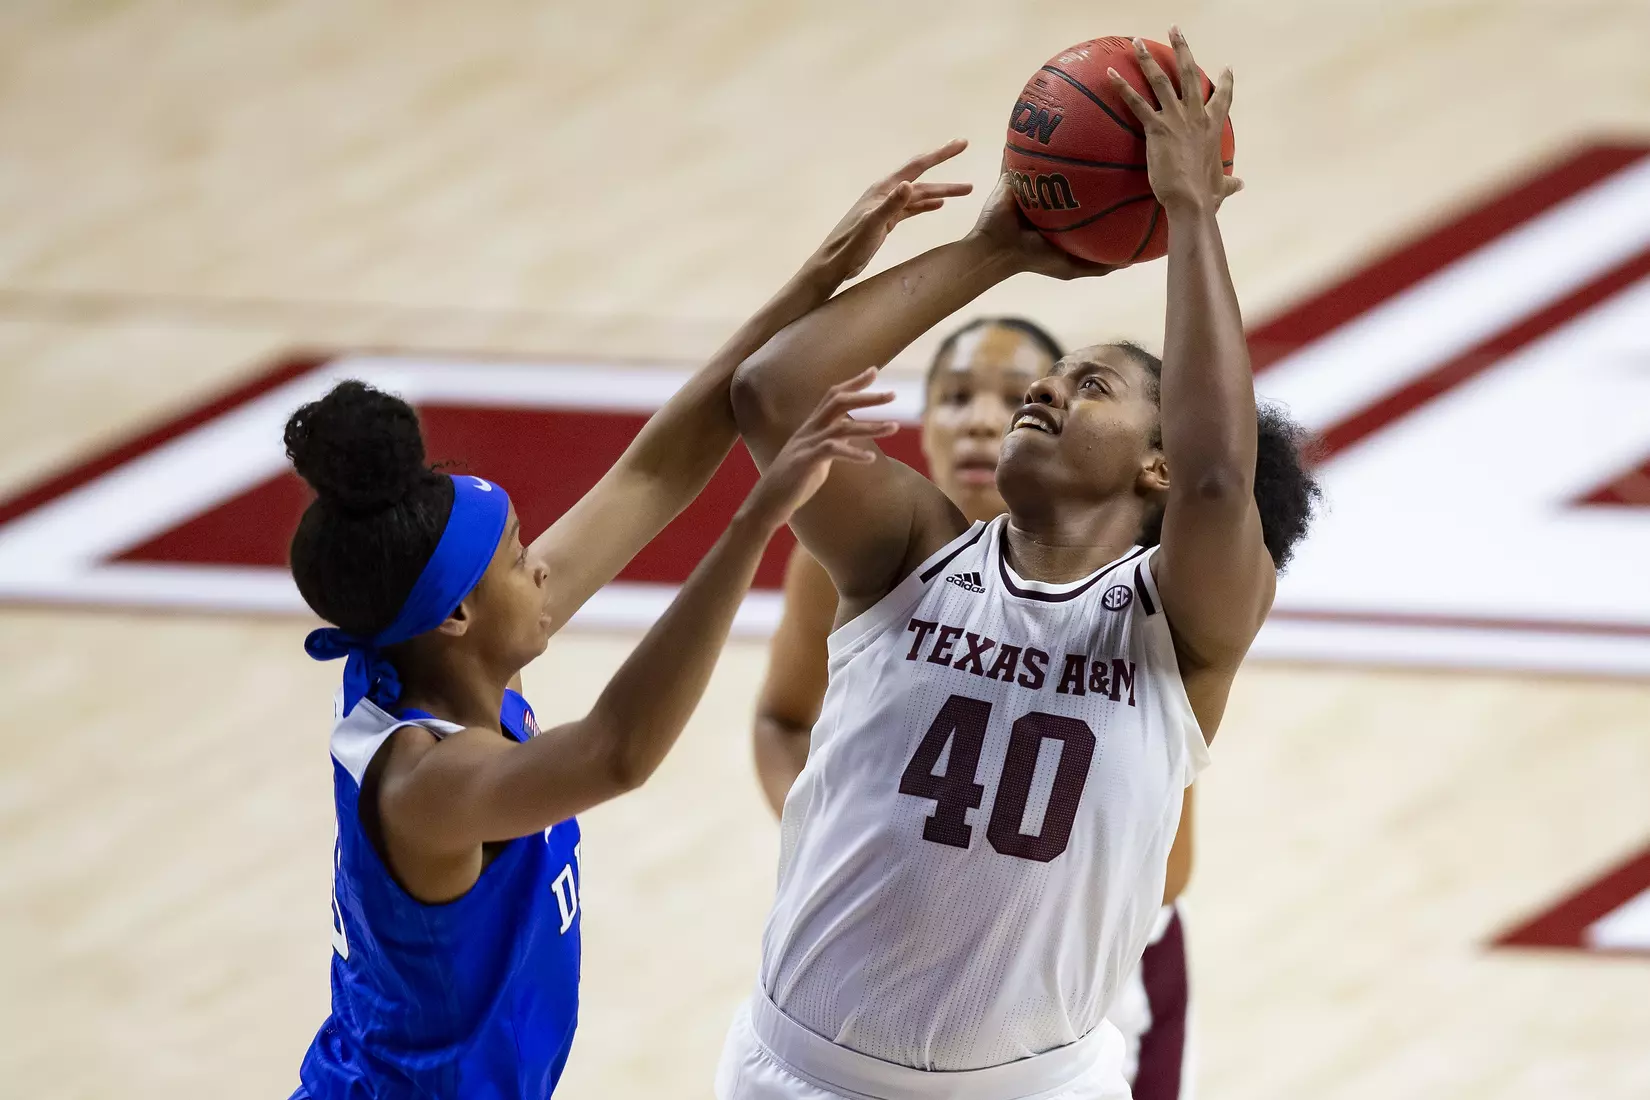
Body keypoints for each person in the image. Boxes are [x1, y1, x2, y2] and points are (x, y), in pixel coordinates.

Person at [285, 145, 972, 1100]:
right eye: (519, 558)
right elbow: (615, 753)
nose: (544, 569)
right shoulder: (426, 784)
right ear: (454, 617)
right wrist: (755, 519)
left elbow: (651, 471)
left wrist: (822, 275)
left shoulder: (451, 661)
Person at [719, 31, 1319, 1100]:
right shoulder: (912, 547)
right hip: (800, 1074)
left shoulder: (1176, 626)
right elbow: (771, 394)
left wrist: (1189, 214)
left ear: (1157, 460)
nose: (1042, 390)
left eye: (1089, 385)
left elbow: (1223, 483)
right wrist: (996, 246)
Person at [751, 317, 1200, 1097]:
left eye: (1010, 391)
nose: (985, 417)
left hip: (1078, 987)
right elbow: (781, 720)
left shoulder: (1145, 601)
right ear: (922, 426)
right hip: (870, 1000)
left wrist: (993, 897)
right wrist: (885, 850)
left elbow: (1173, 859)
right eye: (955, 396)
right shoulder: (861, 554)